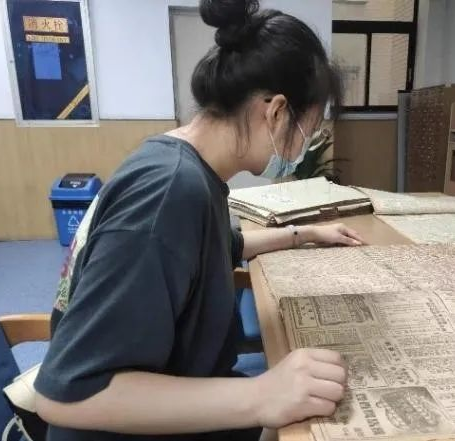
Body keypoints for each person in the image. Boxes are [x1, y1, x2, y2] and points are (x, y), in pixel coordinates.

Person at [34, 1, 364, 440]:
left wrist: (304, 233)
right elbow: (66, 395)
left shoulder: (184, 163)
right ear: (276, 112)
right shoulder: (170, 192)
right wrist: (262, 394)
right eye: (309, 128)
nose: (304, 146)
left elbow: (219, 245)